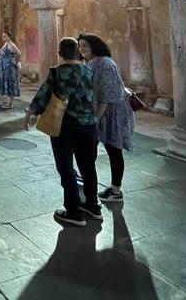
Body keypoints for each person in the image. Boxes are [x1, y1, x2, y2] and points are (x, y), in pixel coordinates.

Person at [24, 37, 100, 226]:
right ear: (76, 52)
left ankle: (73, 211)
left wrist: (30, 114)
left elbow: (42, 96)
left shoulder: (57, 73)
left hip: (66, 126)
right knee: (88, 165)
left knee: (66, 167)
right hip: (89, 124)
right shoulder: (88, 70)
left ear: (59, 52)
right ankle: (93, 205)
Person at [78, 33, 134, 202]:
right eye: (79, 46)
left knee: (113, 150)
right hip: (99, 112)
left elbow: (107, 95)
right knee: (91, 147)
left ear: (94, 46)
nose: (81, 49)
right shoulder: (92, 62)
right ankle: (87, 176)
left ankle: (115, 190)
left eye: (85, 46)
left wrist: (96, 119)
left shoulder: (104, 63)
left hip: (111, 114)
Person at [0, 31, 22, 109]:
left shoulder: (11, 44)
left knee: (10, 83)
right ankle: (8, 100)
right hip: (4, 67)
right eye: (2, 36)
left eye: (5, 36)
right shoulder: (5, 44)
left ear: (9, 37)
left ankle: (10, 103)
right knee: (6, 83)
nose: (3, 37)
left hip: (9, 67)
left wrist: (16, 62)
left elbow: (18, 53)